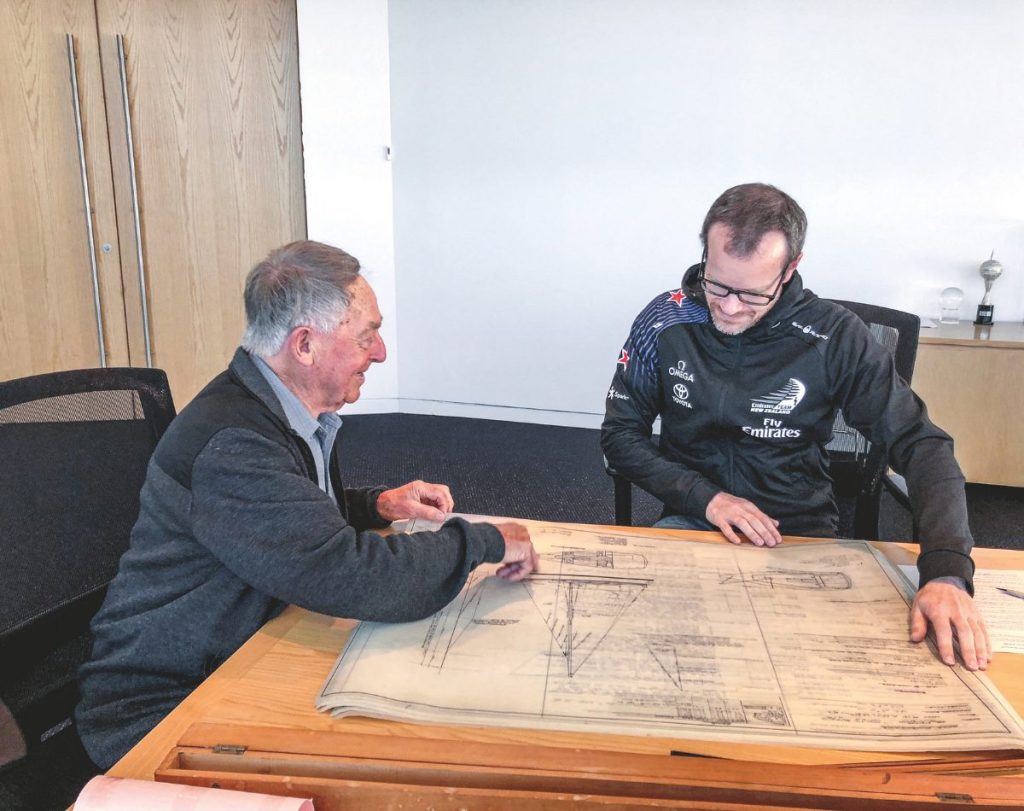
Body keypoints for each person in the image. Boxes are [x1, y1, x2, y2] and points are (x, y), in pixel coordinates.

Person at [76, 240, 538, 768]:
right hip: (161, 707)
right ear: (304, 345)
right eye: (367, 336)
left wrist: (374, 506)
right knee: (406, 757)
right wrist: (486, 540)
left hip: (243, 647)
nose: (382, 352)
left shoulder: (274, 409)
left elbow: (289, 521)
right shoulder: (234, 445)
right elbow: (351, 575)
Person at [601, 182, 990, 672]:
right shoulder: (667, 317)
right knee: (656, 662)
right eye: (718, 284)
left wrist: (947, 573)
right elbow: (619, 436)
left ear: (791, 268)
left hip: (796, 532)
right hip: (693, 522)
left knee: (816, 672)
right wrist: (707, 498)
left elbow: (923, 446)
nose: (729, 307)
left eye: (752, 293)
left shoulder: (834, 334)